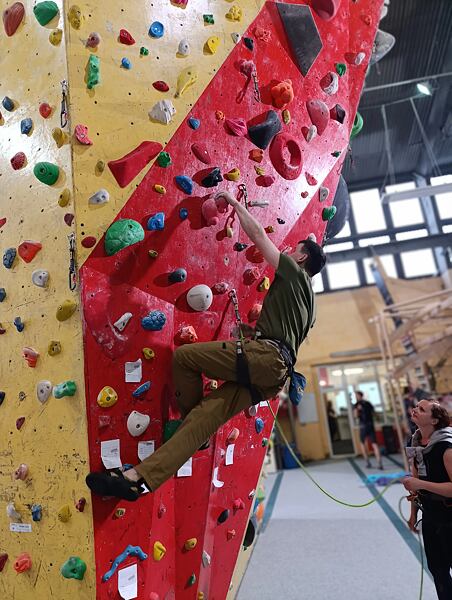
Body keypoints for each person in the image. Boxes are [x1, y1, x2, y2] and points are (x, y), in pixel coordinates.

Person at [86, 189, 327, 500]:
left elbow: (258, 236)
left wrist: (236, 204)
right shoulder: (311, 305)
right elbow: (287, 335)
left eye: (295, 250)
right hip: (273, 377)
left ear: (302, 257)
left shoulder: (294, 273)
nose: (289, 252)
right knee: (204, 420)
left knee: (185, 358)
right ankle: (138, 480)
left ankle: (190, 423)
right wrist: (253, 332)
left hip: (266, 359)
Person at [403, 400, 452, 600]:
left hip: (449, 516)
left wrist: (420, 484)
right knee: (438, 570)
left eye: (422, 409)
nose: (415, 409)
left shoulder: (446, 447)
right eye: (416, 406)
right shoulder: (416, 444)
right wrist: (413, 514)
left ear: (434, 420)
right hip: (431, 516)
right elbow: (416, 485)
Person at [354, 391, 383, 470]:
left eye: (356, 395)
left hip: (363, 426)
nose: (355, 397)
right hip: (370, 425)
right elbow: (375, 414)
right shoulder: (368, 403)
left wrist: (357, 410)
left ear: (359, 396)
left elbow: (356, 416)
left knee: (363, 444)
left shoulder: (357, 405)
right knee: (374, 444)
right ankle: (380, 463)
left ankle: (367, 462)